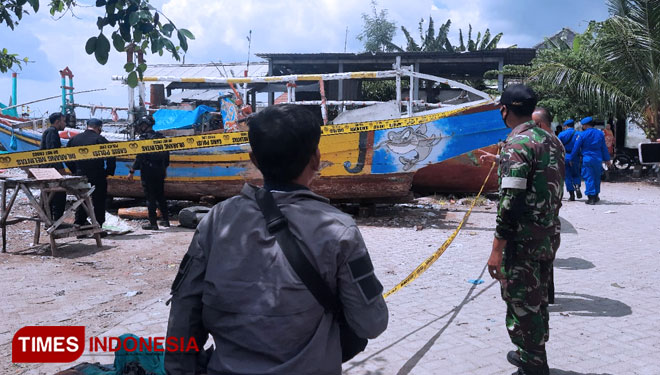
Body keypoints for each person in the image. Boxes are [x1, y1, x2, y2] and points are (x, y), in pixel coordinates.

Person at [165, 104, 388, 375]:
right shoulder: (339, 230)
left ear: (254, 160)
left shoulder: (217, 220)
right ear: (316, 159)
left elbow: (184, 310)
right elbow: (371, 324)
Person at [486, 84, 564, 375]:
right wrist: (501, 160)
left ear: (505, 110)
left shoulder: (517, 144)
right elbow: (541, 179)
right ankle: (533, 354)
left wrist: (496, 249)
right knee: (539, 299)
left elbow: (512, 201)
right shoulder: (551, 140)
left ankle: (532, 365)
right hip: (547, 235)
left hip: (522, 241)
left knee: (521, 303)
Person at [67, 119, 116, 228]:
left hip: (80, 175)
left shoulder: (74, 139)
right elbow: (111, 156)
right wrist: (108, 171)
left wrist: (74, 170)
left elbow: (66, 157)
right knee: (99, 201)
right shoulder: (100, 139)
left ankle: (79, 225)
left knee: (82, 200)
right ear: (99, 128)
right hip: (97, 175)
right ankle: (98, 226)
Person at [128, 115, 170, 230]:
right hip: (160, 170)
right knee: (161, 196)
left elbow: (140, 156)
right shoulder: (161, 137)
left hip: (147, 171)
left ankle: (153, 223)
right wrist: (164, 169)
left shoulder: (143, 139)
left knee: (150, 197)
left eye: (141, 125)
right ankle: (166, 221)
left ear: (145, 125)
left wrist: (132, 170)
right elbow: (166, 156)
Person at [569, 117, 611, 205]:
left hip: (587, 158)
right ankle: (596, 195)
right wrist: (607, 159)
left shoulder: (582, 135)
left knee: (589, 177)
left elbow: (576, 148)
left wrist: (571, 158)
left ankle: (591, 197)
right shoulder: (600, 134)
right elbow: (604, 147)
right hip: (598, 159)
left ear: (585, 125)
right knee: (597, 177)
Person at [40, 112, 67, 221]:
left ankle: (49, 218)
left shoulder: (49, 131)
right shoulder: (52, 132)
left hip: (47, 168)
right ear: (57, 122)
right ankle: (56, 220)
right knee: (58, 194)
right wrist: (60, 169)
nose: (65, 124)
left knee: (50, 194)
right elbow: (53, 153)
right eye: (63, 121)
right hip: (50, 169)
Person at [558, 119, 582, 201]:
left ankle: (572, 195)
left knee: (567, 176)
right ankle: (577, 186)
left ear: (566, 126)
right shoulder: (579, 134)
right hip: (575, 156)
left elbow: (558, 146)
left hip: (565, 156)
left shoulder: (561, 134)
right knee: (576, 173)